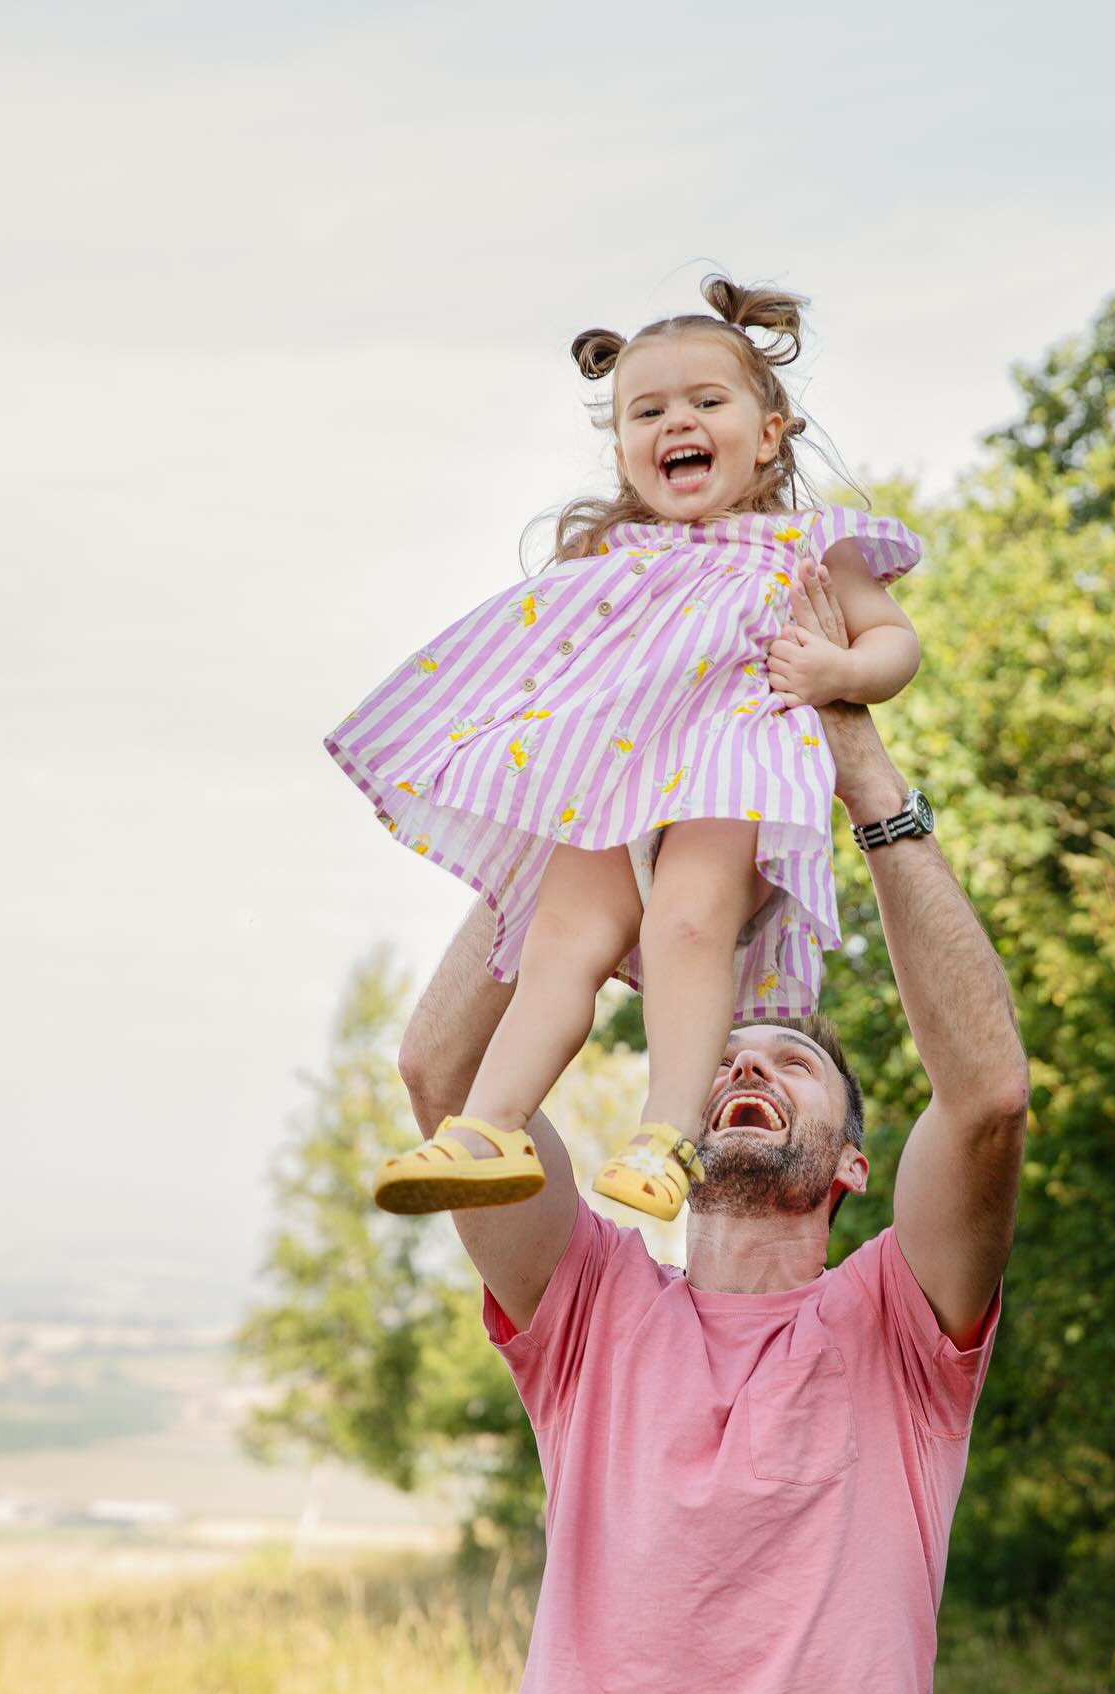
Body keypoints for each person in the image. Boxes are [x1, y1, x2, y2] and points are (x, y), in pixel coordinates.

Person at [396, 575, 1030, 1694]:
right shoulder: (588, 1318)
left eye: (791, 1056)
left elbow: (987, 1099)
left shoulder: (899, 1340)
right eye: (725, 1051)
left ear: (854, 1160)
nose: (749, 1064)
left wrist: (855, 745)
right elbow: (443, 1071)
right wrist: (581, 782)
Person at [325, 274, 924, 1223]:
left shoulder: (809, 546)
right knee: (561, 938)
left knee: (686, 921)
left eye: (705, 402)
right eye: (647, 410)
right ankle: (488, 1128)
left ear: (768, 435)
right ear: (622, 448)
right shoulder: (614, 562)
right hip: (612, 782)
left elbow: (897, 643)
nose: (674, 421)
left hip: (730, 773)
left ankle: (667, 1134)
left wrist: (835, 675)